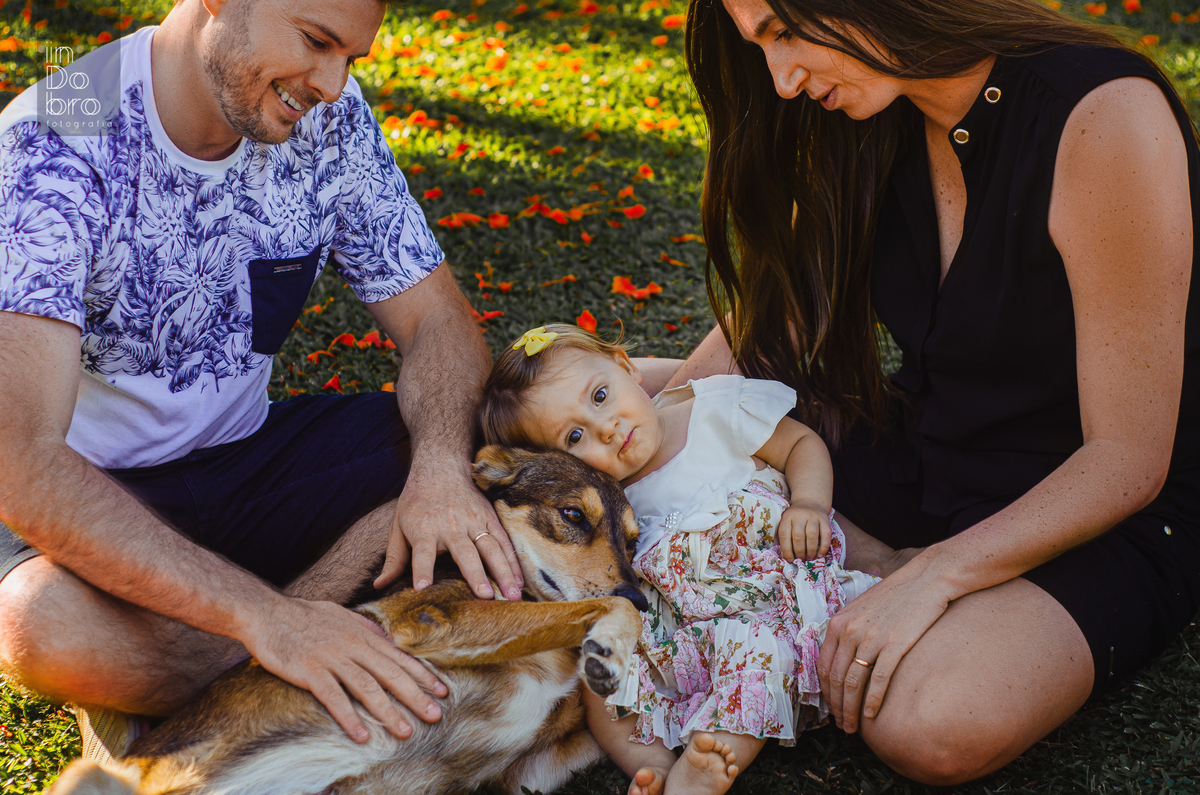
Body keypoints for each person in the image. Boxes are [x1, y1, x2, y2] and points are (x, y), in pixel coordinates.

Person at [628, 0, 1200, 784]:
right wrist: (644, 446)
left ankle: (892, 571)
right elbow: (775, 328)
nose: (783, 80)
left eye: (785, 33)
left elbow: (1128, 459)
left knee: (931, 719)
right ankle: (874, 563)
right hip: (932, 451)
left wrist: (934, 575)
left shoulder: (1102, 116)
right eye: (760, 46)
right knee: (633, 403)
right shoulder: (876, 105)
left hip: (1103, 506)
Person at [0, 0, 525, 762]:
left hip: (251, 462)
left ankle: (230, 650)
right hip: (98, 492)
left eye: (352, 57)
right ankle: (298, 618)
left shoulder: (331, 120)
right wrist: (264, 616)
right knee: (36, 624)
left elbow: (437, 322)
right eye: (316, 42)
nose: (333, 83)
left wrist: (441, 469)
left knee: (493, 448)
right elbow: (21, 461)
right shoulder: (57, 130)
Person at [479, 324, 891, 795]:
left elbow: (801, 444)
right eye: (575, 436)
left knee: (755, 655)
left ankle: (707, 764)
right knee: (605, 683)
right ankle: (651, 767)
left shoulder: (713, 410)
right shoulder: (612, 502)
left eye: (599, 396)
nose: (607, 427)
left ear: (625, 366)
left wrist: (810, 504)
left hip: (772, 608)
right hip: (688, 636)